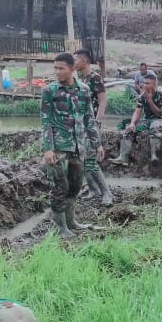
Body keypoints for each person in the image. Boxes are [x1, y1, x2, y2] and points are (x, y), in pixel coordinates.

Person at [41, 52, 102, 238]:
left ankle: (71, 221)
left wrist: (97, 144)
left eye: (61, 68)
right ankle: (60, 228)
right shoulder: (49, 91)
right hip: (58, 149)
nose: (57, 72)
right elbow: (46, 121)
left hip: (78, 147)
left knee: (75, 185)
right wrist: (48, 148)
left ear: (72, 69)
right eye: (55, 68)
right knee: (59, 187)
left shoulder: (83, 90)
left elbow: (89, 119)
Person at [74, 50, 114, 206]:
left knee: (90, 160)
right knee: (83, 159)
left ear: (84, 61)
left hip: (91, 124)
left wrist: (97, 122)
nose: (74, 62)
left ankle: (106, 193)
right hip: (81, 125)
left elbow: (103, 101)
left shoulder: (95, 78)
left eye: (75, 59)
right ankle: (93, 189)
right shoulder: (79, 79)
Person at [110, 73, 162, 167]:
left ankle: (154, 156)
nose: (144, 85)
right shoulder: (142, 96)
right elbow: (137, 111)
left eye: (147, 83)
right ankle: (123, 157)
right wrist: (133, 123)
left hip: (161, 120)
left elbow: (160, 113)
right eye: (144, 83)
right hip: (147, 120)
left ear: (154, 84)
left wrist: (149, 100)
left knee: (155, 126)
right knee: (129, 128)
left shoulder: (161, 95)